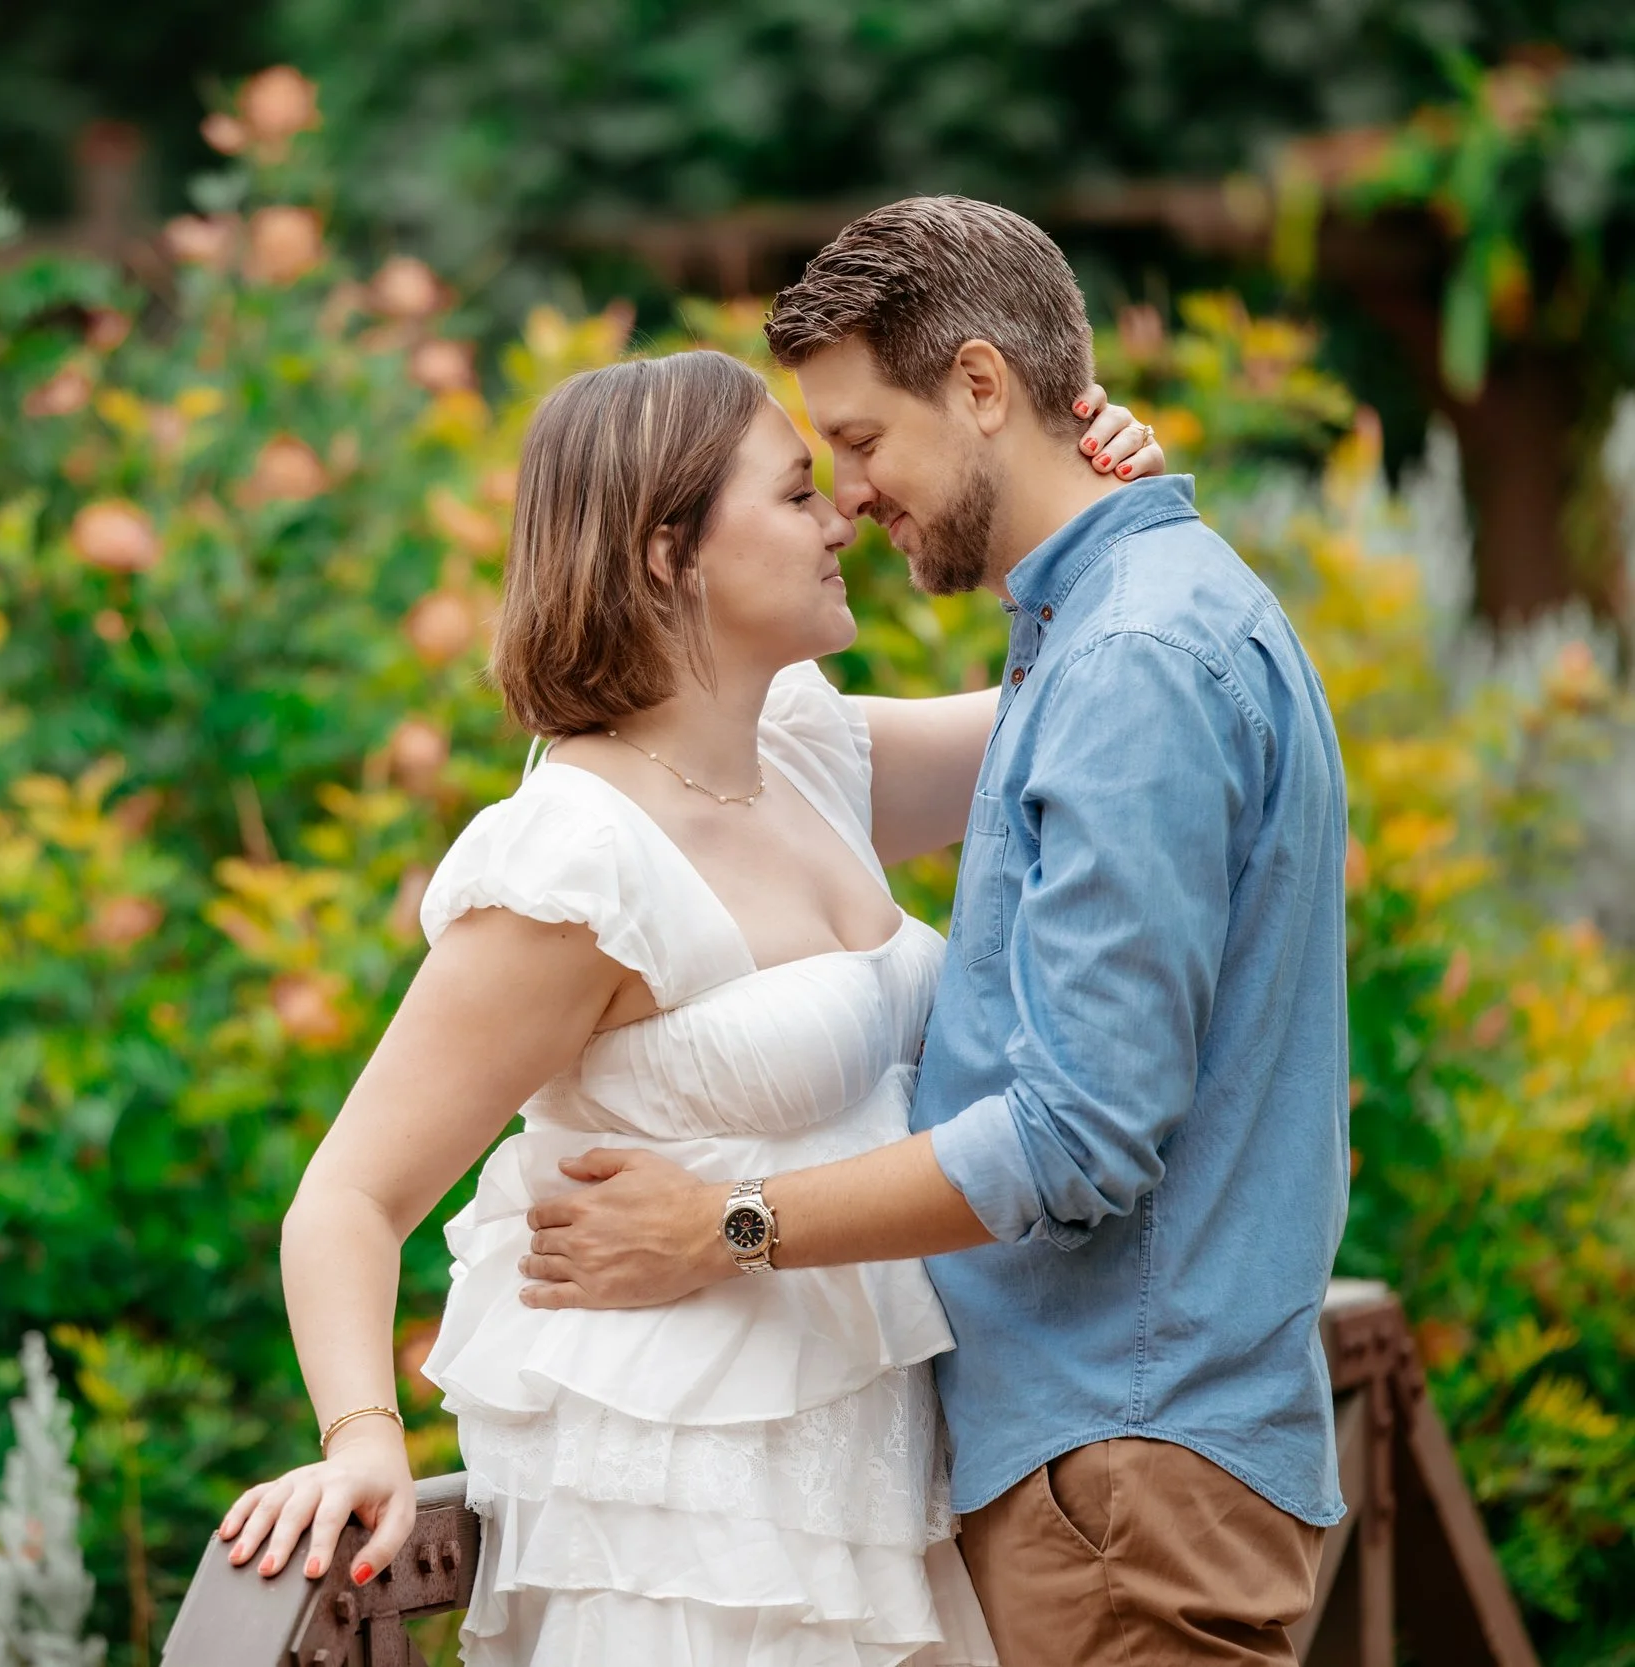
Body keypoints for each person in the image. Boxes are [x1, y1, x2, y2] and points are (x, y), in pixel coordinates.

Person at [216, 327, 1168, 1659]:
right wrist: (362, 1433)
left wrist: (1094, 501)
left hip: (872, 1496)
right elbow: (351, 1195)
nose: (840, 515)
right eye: (792, 491)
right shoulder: (577, 862)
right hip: (680, 1546)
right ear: (670, 552)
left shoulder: (805, 752)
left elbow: (1099, 704)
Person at [515, 197, 1351, 1665]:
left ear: (978, 387)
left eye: (856, 443)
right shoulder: (1118, 629)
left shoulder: (1132, 660)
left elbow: (1077, 1132)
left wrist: (730, 1223)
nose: (849, 500)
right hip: (1114, 1460)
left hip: (1122, 1470)